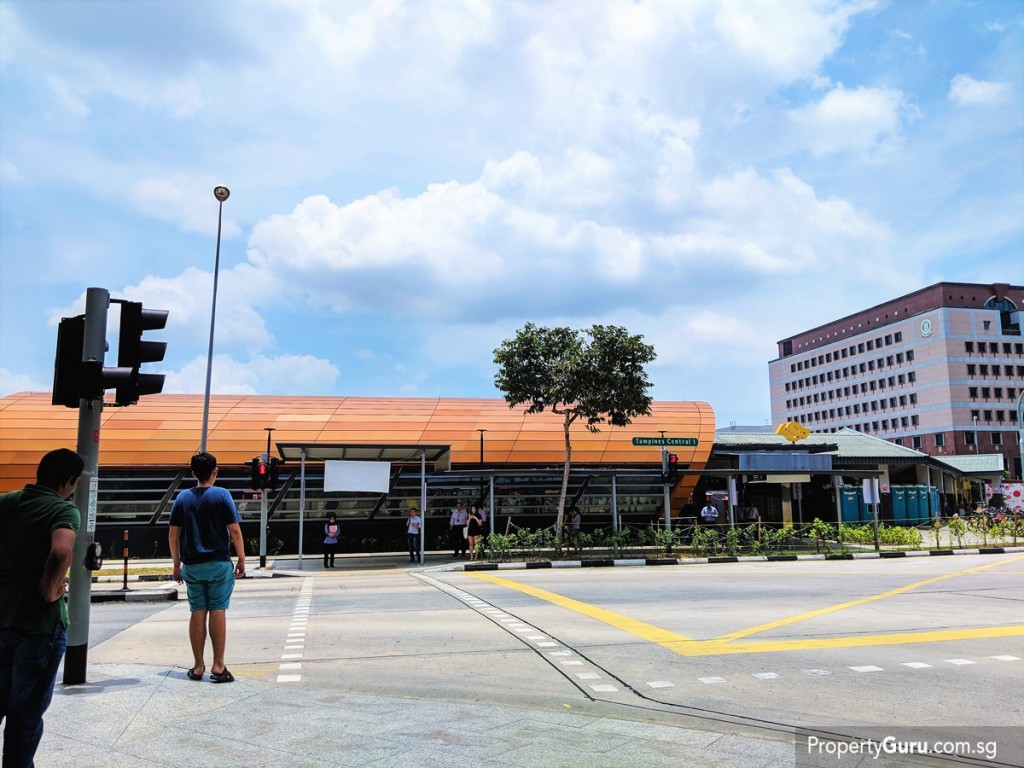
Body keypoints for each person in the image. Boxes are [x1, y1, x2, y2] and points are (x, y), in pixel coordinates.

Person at [0, 448, 83, 768]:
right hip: (39, 625)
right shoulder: (62, 509)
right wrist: (49, 589)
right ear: (70, 481)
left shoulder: (5, 502)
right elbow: (62, 551)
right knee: (25, 715)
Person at [168, 453, 245, 684]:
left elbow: (173, 534)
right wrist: (241, 558)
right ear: (216, 471)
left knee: (197, 611)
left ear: (193, 473)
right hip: (218, 564)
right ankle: (219, 666)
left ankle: (198, 666)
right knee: (218, 609)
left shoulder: (182, 498)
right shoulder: (222, 495)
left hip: (192, 565)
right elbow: (235, 531)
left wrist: (176, 564)